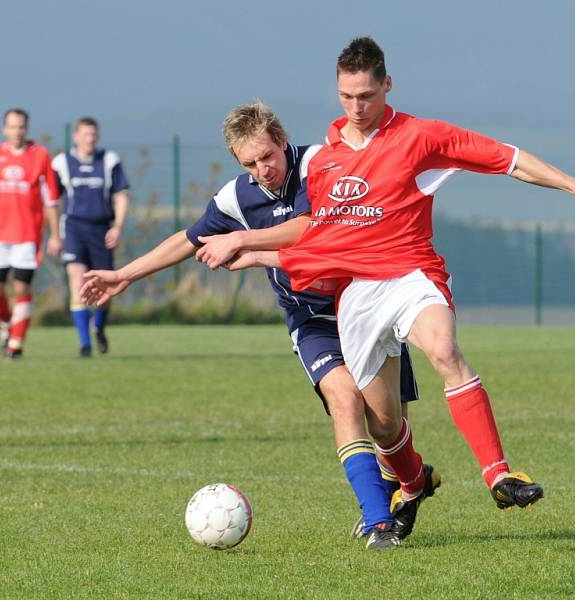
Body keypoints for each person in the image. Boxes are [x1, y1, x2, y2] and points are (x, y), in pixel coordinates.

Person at [233, 37, 575, 515]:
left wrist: (574, 185)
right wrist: (253, 249)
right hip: (357, 296)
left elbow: (506, 157)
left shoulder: (421, 136)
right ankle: (412, 481)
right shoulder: (321, 161)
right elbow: (319, 239)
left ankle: (499, 474)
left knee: (444, 349)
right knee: (383, 425)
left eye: (367, 95)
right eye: (347, 96)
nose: (357, 107)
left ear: (387, 85)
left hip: (410, 275)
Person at [79, 102, 438, 550]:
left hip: (366, 307)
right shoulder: (237, 197)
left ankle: (414, 478)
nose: (262, 169)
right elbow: (190, 240)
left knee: (386, 426)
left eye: (267, 156)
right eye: (249, 163)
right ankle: (379, 523)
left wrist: (242, 238)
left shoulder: (321, 165)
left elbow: (312, 228)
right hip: (312, 322)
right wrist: (123, 276)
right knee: (344, 400)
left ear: (282, 143)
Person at [0, 109, 61, 359]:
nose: (16, 132)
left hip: (27, 236)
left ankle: (16, 344)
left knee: (22, 289)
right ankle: (7, 323)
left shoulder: (40, 156)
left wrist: (54, 235)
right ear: (4, 129)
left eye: (21, 127)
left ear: (26, 129)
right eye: (12, 127)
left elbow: (50, 199)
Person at [52, 117, 130, 357]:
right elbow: (52, 202)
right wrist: (54, 235)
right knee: (77, 278)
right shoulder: (61, 163)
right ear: (76, 136)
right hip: (73, 228)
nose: (90, 139)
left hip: (101, 230)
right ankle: (84, 344)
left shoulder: (109, 161)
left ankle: (98, 327)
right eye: (85, 134)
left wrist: (117, 226)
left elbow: (121, 195)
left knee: (105, 286)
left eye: (93, 134)